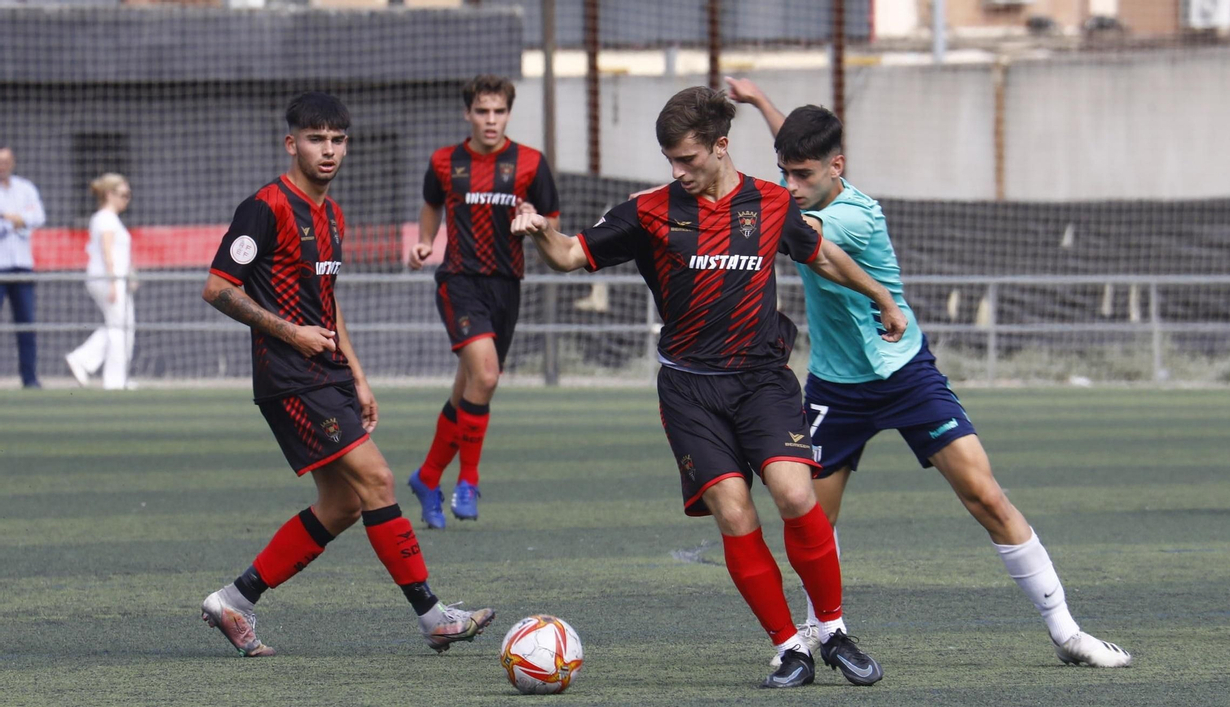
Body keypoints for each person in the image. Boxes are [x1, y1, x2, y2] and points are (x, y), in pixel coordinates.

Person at [724, 77, 1132, 669]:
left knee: (984, 495)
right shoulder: (809, 182)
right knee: (810, 516)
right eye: (784, 172)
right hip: (836, 387)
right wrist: (762, 101)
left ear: (838, 167)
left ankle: (1068, 632)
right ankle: (820, 629)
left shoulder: (854, 216)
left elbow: (793, 229)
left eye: (803, 175)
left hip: (906, 376)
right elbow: (797, 155)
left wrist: (719, 194)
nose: (791, 185)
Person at [513, 86, 904, 689]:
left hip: (762, 381)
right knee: (734, 510)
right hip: (690, 391)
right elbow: (567, 256)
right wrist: (540, 230)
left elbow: (823, 256)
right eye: (670, 159)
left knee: (795, 494)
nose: (677, 171)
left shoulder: (771, 202)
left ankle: (832, 630)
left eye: (687, 159)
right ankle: (789, 649)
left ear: (721, 147)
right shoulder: (647, 211)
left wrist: (882, 297)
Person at [198, 92, 493, 657]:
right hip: (290, 375)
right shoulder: (264, 208)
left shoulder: (332, 214)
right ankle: (433, 617)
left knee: (343, 505)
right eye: (316, 139)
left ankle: (234, 601)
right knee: (378, 480)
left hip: (326, 373)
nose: (328, 150)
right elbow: (217, 288)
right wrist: (293, 333)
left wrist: (357, 376)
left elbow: (328, 304)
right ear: (292, 144)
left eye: (337, 140)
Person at [405, 75, 561, 529]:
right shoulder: (444, 161)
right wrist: (424, 241)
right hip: (459, 281)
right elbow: (431, 204)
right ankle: (468, 481)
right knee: (487, 376)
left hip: (506, 286)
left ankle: (427, 477)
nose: (490, 120)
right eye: (482, 111)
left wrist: (533, 219)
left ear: (508, 114)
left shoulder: (530, 162)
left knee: (469, 388)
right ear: (467, 113)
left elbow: (551, 219)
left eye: (499, 111)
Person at [65, 173, 138, 390]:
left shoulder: (110, 219)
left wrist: (128, 276)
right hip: (107, 278)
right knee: (118, 327)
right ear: (109, 194)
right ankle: (109, 377)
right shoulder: (105, 218)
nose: (126, 199)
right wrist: (113, 282)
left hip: (114, 278)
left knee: (122, 325)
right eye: (123, 195)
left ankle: (102, 369)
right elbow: (107, 252)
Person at [0, 144, 46, 389]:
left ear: (13, 162)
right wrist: (14, 220)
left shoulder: (25, 188)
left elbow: (38, 217)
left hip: (22, 266)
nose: (3, 166)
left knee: (26, 323)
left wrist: (13, 218)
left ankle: (29, 378)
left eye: (6, 161)